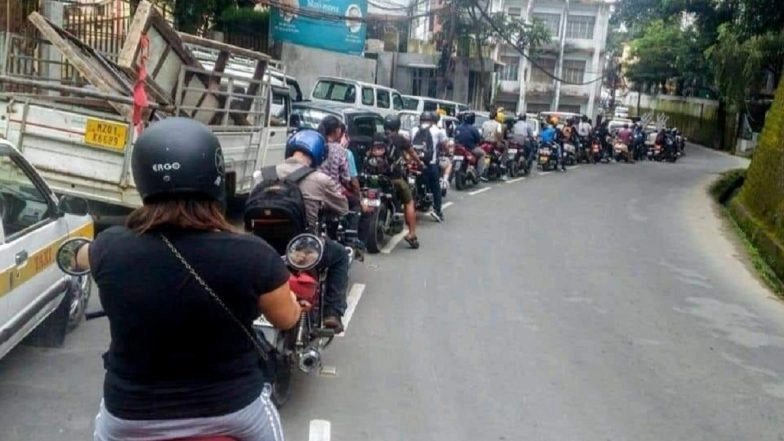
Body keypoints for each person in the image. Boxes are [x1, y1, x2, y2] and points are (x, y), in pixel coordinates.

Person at [71, 118, 301, 441]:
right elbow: (287, 318)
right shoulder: (254, 255)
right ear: (215, 177)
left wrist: (83, 253)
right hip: (233, 410)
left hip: (129, 415)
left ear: (142, 178)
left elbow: (79, 256)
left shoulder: (109, 247)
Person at [271, 130, 350, 332]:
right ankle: (332, 313)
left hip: (264, 247)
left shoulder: (262, 175)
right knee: (340, 255)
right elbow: (343, 208)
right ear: (318, 155)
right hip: (303, 249)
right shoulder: (320, 180)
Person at [382, 114, 422, 248]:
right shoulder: (400, 139)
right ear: (398, 126)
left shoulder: (378, 137)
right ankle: (412, 234)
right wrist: (420, 163)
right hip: (395, 179)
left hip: (378, 178)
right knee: (409, 201)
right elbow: (412, 153)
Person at [411, 111, 447, 222]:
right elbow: (444, 145)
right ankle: (437, 211)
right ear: (432, 120)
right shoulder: (438, 131)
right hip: (430, 163)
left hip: (415, 163)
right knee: (436, 187)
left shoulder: (414, 130)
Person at [454, 111, 486, 181]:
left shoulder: (457, 127)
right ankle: (479, 173)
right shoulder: (473, 129)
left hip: (458, 148)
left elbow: (455, 137)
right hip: (470, 148)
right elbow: (478, 140)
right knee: (482, 154)